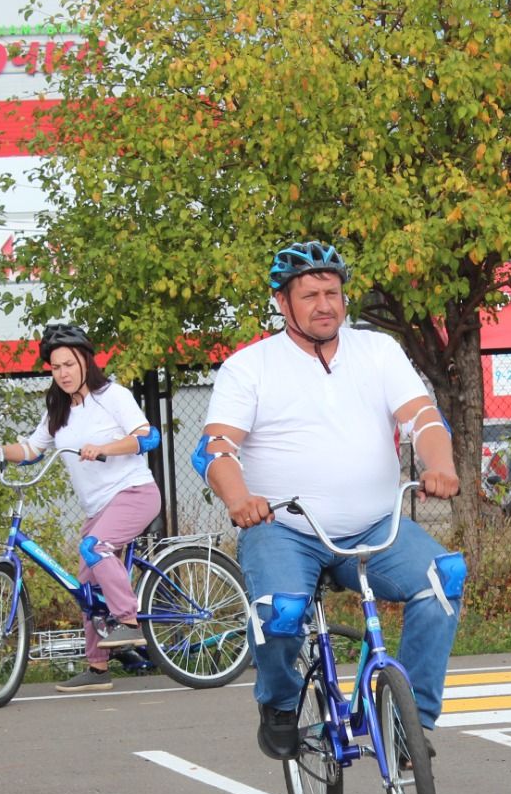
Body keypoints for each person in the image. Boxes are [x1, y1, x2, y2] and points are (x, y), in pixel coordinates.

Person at [197, 240, 464, 760]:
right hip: (284, 530)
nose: (325, 305)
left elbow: (422, 418)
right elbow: (216, 448)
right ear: (282, 303)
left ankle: (413, 721)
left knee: (442, 579)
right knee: (281, 612)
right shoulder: (249, 368)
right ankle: (279, 703)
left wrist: (441, 463)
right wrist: (240, 498)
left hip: (372, 526)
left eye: (334, 293)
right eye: (311, 295)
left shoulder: (378, 351)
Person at [0, 324, 161, 692]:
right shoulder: (58, 410)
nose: (63, 373)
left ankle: (128, 621)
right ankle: (98, 668)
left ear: (85, 361)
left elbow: (148, 436)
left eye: (69, 364)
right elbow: (30, 450)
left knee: (95, 548)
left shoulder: (113, 395)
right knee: (85, 586)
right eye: (56, 367)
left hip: (134, 491)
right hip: (99, 508)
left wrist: (105, 448)